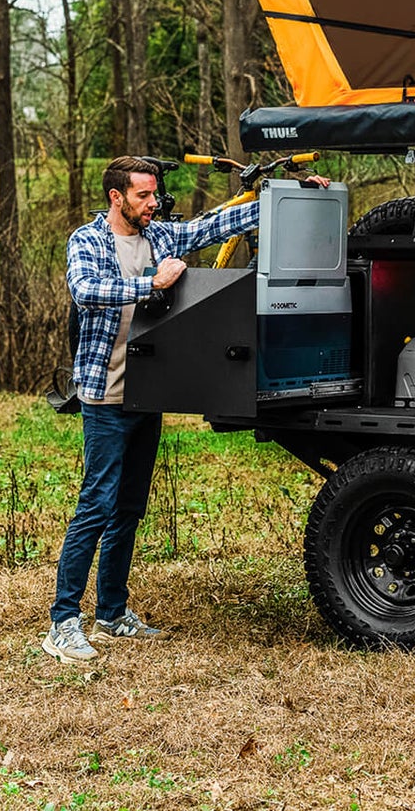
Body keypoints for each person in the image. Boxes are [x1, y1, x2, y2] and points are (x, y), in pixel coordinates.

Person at [44, 155, 325, 663]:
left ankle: (111, 612)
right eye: (143, 196)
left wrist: (291, 192)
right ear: (117, 197)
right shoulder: (87, 241)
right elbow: (86, 292)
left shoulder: (162, 237)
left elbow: (219, 223)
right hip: (104, 396)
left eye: (155, 195)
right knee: (96, 505)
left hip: (147, 392)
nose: (154, 203)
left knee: (129, 508)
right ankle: (63, 622)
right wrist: (152, 283)